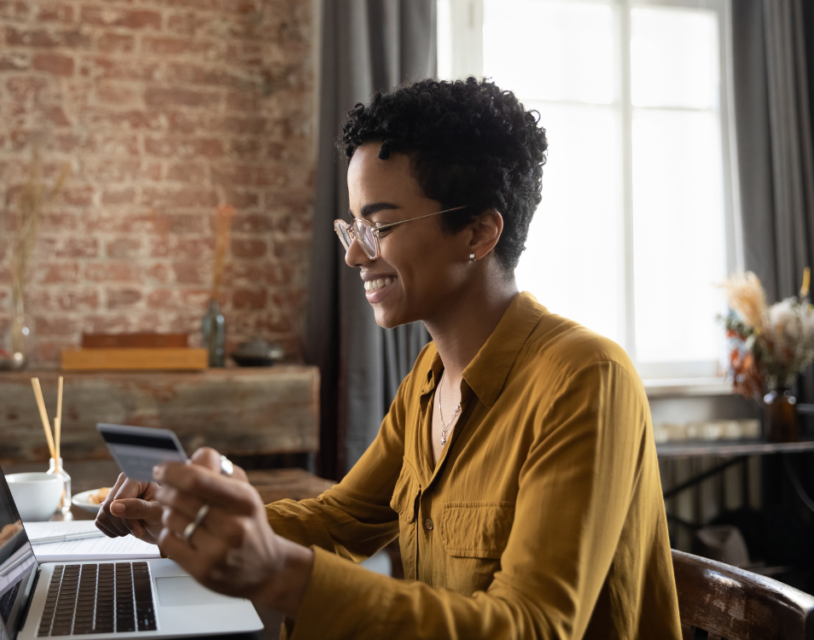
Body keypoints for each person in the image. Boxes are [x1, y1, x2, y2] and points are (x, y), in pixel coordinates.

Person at [95, 77, 682, 639]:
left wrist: (279, 569)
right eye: (352, 226)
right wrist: (196, 515)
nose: (354, 256)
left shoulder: (585, 378)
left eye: (378, 226)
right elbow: (337, 521)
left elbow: (533, 627)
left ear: (478, 234)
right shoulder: (428, 379)